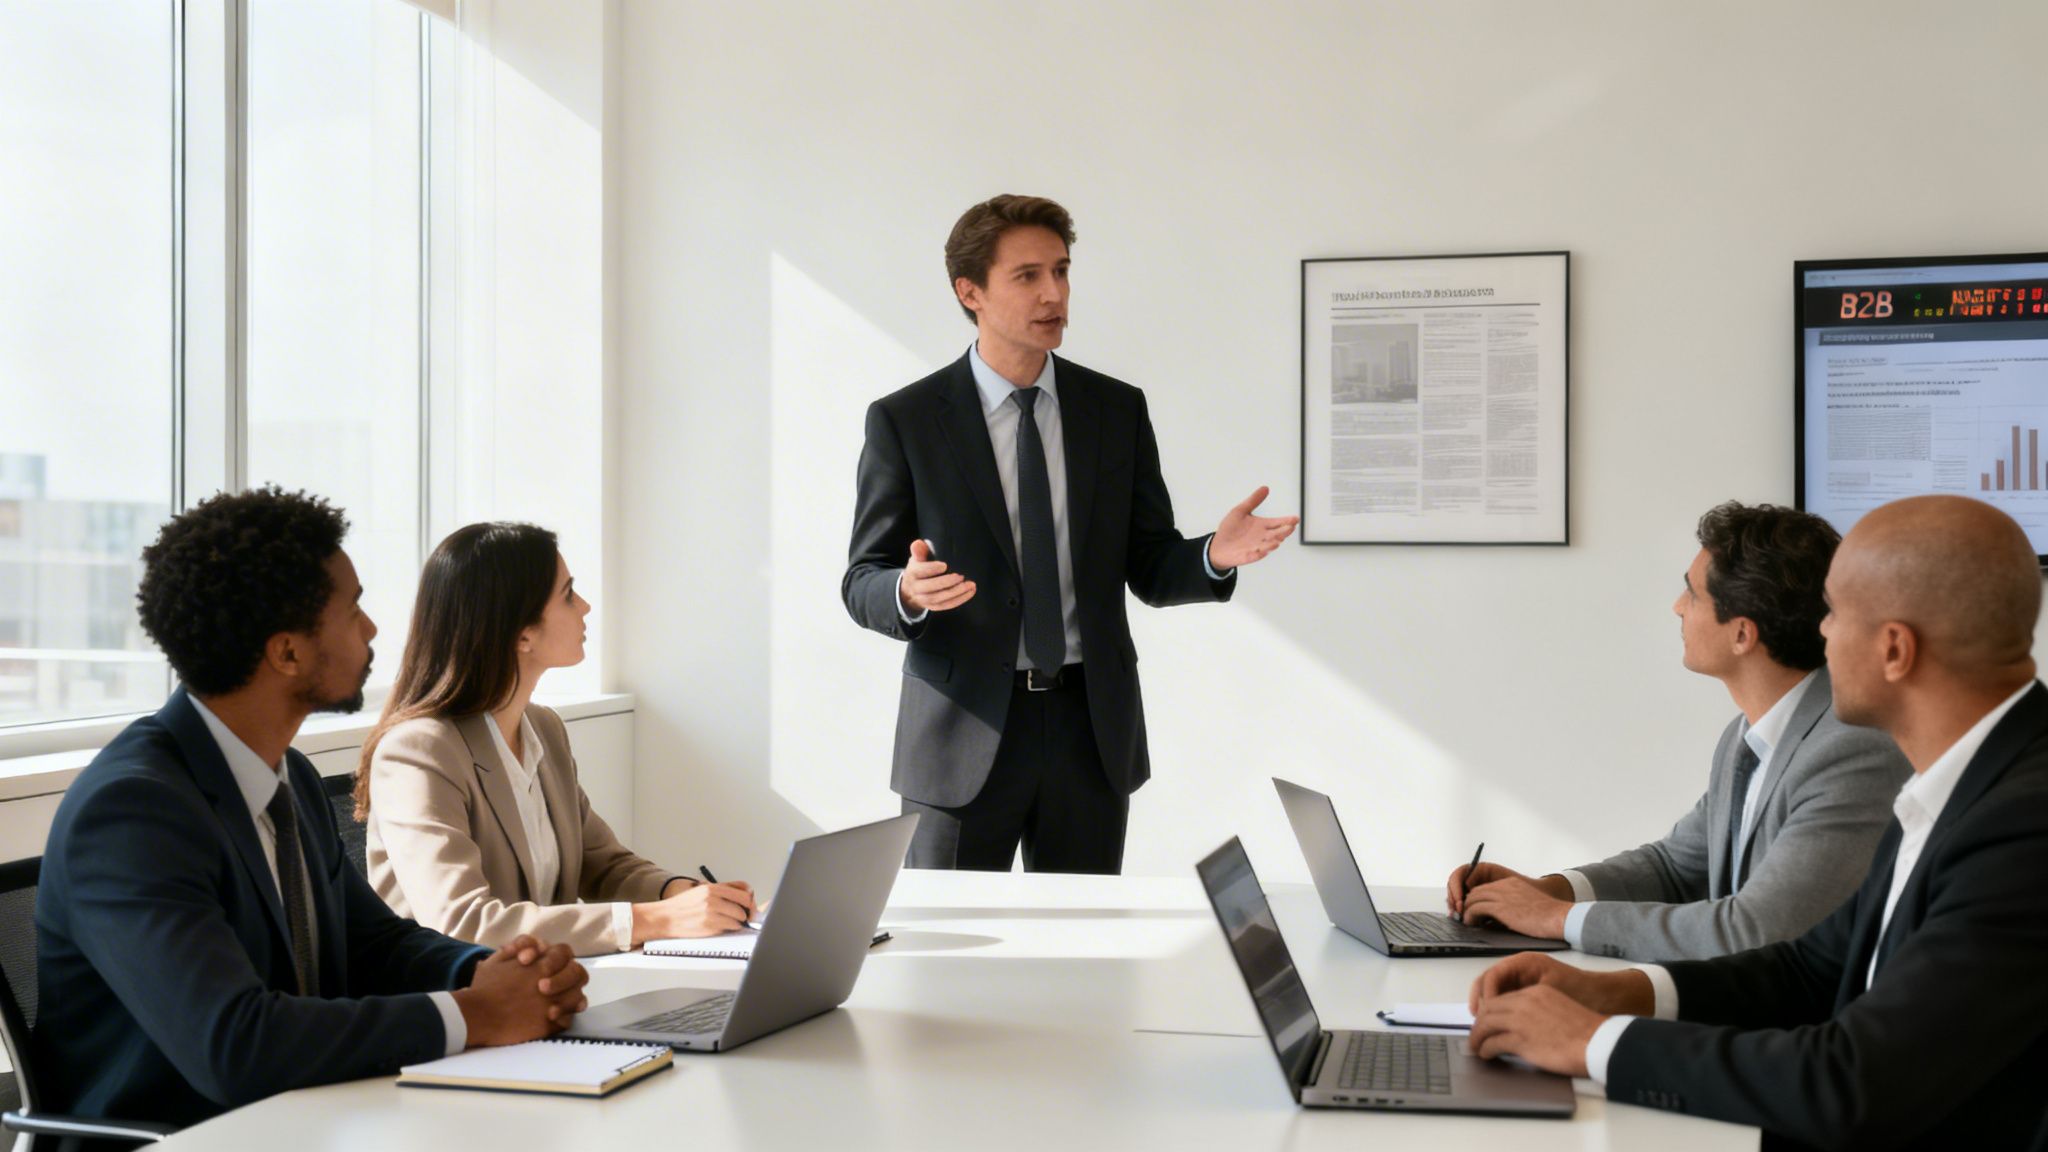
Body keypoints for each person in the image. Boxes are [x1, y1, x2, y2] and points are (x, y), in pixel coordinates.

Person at [1466, 495, 2048, 1149]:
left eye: (1833, 613)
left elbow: (1852, 1081)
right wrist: (1612, 994)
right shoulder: (1958, 782)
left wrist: (1596, 1043)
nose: (1819, 634)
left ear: (1894, 650)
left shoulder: (2023, 828)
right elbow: (1809, 969)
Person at [34, 488, 590, 1140]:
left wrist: (495, 975)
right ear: (288, 652)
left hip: (308, 1120)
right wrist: (474, 1014)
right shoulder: (132, 812)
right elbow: (235, 1045)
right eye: (353, 608)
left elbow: (373, 943)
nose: (373, 628)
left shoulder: (286, 774)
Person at [842, 194, 1297, 873]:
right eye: (1027, 276)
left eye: (1061, 271)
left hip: (1091, 731)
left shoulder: (1114, 411)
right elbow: (862, 579)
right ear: (970, 291)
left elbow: (1147, 564)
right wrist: (905, 591)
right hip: (962, 734)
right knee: (951, 962)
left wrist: (1210, 556)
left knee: (1085, 953)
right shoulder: (907, 420)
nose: (1054, 293)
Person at [1446, 502, 1910, 961]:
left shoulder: (1851, 746)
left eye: (1692, 594)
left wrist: (1555, 919)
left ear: (1742, 634)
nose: (1677, 607)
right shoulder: (1745, 737)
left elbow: (1755, 930)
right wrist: (1543, 890)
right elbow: (1673, 867)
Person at [358, 522, 756, 954]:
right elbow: (462, 922)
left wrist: (681, 894)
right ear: (521, 633)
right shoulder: (417, 752)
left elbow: (601, 863)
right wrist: (655, 920)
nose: (584, 606)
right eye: (568, 593)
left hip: (545, 991)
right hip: (458, 1006)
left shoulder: (543, 728)